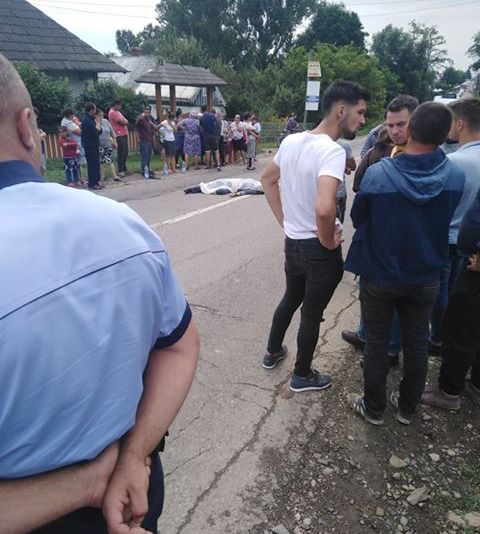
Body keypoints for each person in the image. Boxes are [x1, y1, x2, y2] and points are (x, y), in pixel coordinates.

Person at [0, 52, 199, 534]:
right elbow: (179, 346)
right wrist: (132, 456)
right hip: (132, 494)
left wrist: (87, 484)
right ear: (28, 126)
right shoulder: (121, 223)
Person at [345, 102, 465, 426]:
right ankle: (408, 407)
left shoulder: (379, 173)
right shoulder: (455, 175)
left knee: (376, 343)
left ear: (409, 128)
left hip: (380, 274)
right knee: (417, 343)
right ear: (446, 134)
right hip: (426, 275)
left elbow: (359, 217)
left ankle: (373, 408)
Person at [261, 80, 369, 392]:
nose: (363, 120)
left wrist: (286, 222)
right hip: (317, 249)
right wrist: (326, 240)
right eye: (360, 112)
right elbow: (324, 208)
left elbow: (267, 180)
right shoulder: (331, 151)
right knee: (311, 312)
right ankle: (302, 375)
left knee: (291, 298)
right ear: (341, 110)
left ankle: (272, 352)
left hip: (293, 243)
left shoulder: (292, 141)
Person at [341, 94, 419, 358]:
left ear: (416, 122)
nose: (395, 131)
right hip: (378, 245)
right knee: (371, 299)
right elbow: (359, 202)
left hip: (409, 249)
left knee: (396, 308)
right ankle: (369, 339)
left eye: (401, 124)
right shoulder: (379, 154)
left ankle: (389, 350)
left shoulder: (430, 159)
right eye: (390, 125)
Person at [421, 187, 480, 411]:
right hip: (470, 256)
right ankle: (476, 383)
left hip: (476, 266)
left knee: (461, 327)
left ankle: (449, 392)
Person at [429, 98, 480, 352]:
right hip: (474, 244)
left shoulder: (453, 162)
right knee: (461, 293)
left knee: (440, 291)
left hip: (448, 237)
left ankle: (438, 336)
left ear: (459, 124)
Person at [81, 101, 103, 190]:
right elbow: (95, 132)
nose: (95, 111)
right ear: (91, 110)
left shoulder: (91, 119)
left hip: (94, 144)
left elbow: (100, 130)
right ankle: (92, 183)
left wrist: (98, 127)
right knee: (92, 165)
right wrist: (98, 126)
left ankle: (97, 181)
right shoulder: (87, 120)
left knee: (96, 164)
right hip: (89, 145)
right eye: (94, 109)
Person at [96, 109, 120, 182]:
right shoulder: (94, 123)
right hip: (99, 145)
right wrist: (98, 123)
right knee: (101, 161)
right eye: (99, 116)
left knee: (110, 160)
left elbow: (112, 131)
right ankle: (102, 176)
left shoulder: (106, 121)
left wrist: (115, 141)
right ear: (96, 116)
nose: (101, 117)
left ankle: (114, 175)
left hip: (108, 143)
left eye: (102, 115)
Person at [61, 108, 85, 184]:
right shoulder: (67, 122)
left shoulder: (67, 121)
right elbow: (80, 132)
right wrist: (77, 123)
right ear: (69, 115)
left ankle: (79, 178)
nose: (73, 116)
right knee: (77, 162)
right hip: (75, 143)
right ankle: (78, 178)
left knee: (77, 162)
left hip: (74, 143)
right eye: (72, 114)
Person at [335, 139, 356, 224]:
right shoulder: (343, 145)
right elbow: (353, 166)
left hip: (318, 195)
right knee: (338, 226)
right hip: (339, 193)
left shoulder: (312, 144)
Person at [108, 99, 129, 177]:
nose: (120, 106)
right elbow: (122, 122)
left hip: (124, 133)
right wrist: (124, 121)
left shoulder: (118, 112)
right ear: (115, 105)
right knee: (121, 152)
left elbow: (126, 120)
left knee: (125, 152)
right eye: (119, 105)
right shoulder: (112, 112)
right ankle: (121, 170)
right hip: (118, 134)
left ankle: (124, 168)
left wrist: (125, 121)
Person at [135, 105, 156, 179]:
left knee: (149, 155)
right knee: (145, 156)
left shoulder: (148, 119)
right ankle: (144, 171)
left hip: (149, 139)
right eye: (146, 112)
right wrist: (138, 138)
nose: (147, 113)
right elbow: (137, 125)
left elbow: (154, 126)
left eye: (148, 112)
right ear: (143, 112)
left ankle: (147, 168)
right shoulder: (141, 118)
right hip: (143, 139)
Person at [199, 105, 221, 171]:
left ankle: (208, 165)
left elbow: (201, 128)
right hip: (213, 135)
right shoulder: (212, 116)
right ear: (207, 109)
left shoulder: (201, 119)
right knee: (216, 150)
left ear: (201, 110)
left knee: (207, 151)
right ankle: (218, 164)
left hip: (206, 136)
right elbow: (216, 124)